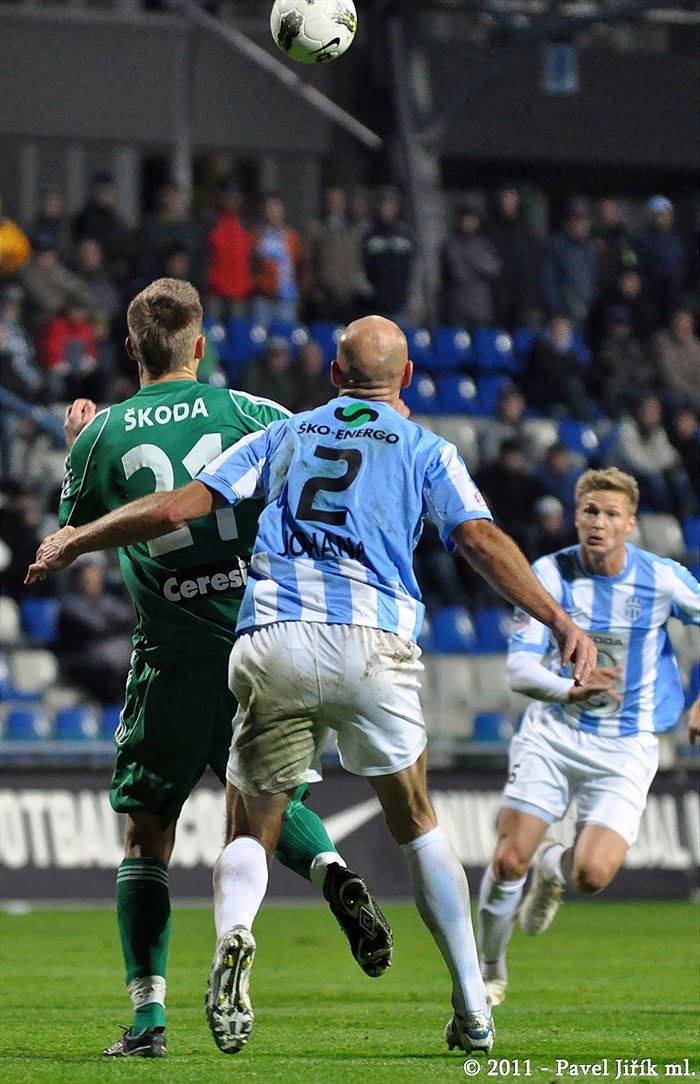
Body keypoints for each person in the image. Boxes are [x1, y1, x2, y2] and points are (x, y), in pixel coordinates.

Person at [27, 314, 597, 1059]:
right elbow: (479, 539)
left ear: (333, 376)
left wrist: (74, 537)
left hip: (272, 640)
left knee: (247, 826)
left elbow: (173, 508)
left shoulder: (286, 435)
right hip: (372, 646)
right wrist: (557, 618)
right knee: (417, 821)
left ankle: (233, 940)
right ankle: (472, 1007)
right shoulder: (424, 446)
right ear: (409, 381)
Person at [33, 279, 392, 1058]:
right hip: (259, 651)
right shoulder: (257, 414)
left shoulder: (106, 433)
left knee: (146, 838)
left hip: (168, 660)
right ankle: (331, 870)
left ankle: (149, 1019)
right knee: (258, 811)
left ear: (130, 348)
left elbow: (83, 528)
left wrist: (79, 446)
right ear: (202, 345)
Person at [476, 467, 700, 1009]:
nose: (599, 524)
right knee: (508, 860)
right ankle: (488, 971)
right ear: (576, 517)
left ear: (630, 524)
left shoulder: (661, 578)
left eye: (611, 515)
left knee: (593, 875)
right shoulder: (549, 576)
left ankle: (554, 868)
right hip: (556, 733)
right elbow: (519, 671)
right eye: (590, 513)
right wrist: (568, 692)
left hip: (628, 744)